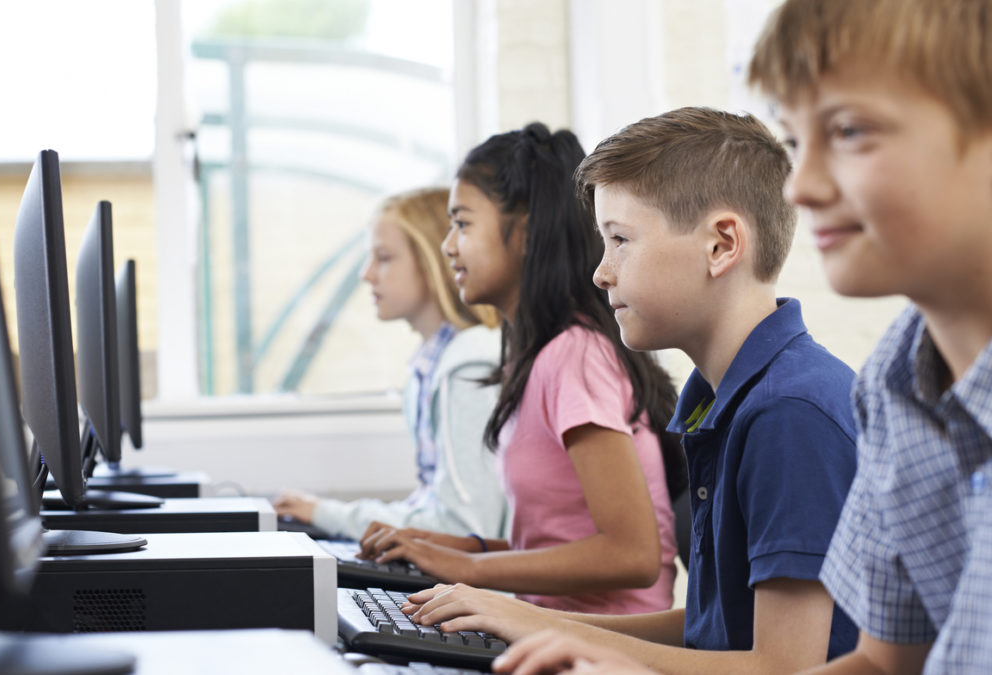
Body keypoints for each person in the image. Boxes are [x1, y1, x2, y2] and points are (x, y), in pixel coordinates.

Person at [404, 107, 860, 674]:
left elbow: (783, 667)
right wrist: (534, 622)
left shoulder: (788, 414)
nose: (601, 272)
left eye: (620, 240)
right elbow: (708, 632)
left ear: (721, 245)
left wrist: (560, 633)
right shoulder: (723, 398)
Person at [745, 1, 992, 672]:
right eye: (794, 141)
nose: (800, 185)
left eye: (850, 131)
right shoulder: (894, 378)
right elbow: (885, 664)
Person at [358, 122, 687, 616]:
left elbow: (633, 555)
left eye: (463, 224)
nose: (448, 246)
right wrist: (463, 549)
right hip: (548, 632)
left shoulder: (573, 355)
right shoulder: (534, 357)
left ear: (528, 234)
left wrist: (470, 571)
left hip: (601, 649)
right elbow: (559, 543)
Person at [274, 187, 507, 541]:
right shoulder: (431, 365)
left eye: (383, 258)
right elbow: (434, 507)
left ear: (433, 260)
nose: (366, 274)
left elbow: (465, 529)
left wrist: (332, 515)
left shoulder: (468, 366)